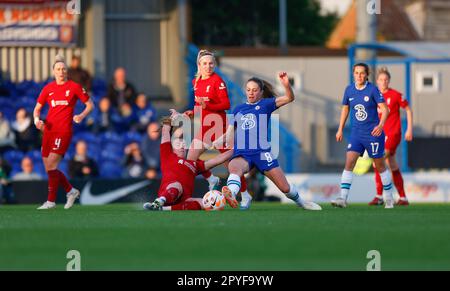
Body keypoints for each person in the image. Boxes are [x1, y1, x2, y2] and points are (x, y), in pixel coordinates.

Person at [221, 72, 321, 211]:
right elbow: (229, 132)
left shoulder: (266, 104)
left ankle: (301, 203)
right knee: (234, 168)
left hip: (262, 153)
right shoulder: (238, 109)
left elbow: (289, 98)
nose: (251, 93)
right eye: (248, 90)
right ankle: (230, 193)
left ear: (261, 92)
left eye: (255, 90)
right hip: (243, 152)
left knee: (285, 188)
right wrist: (220, 139)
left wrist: (286, 85)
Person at [185, 49, 249, 200]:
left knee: (232, 166)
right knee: (190, 159)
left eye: (211, 63)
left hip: (219, 127)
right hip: (205, 128)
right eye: (205, 63)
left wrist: (207, 106)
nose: (208, 66)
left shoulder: (217, 81)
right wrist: (192, 112)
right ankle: (210, 178)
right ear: (199, 65)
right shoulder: (196, 82)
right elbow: (198, 104)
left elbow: (226, 104)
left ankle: (245, 195)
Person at [33, 55, 94, 210]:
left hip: (63, 131)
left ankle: (51, 201)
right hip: (48, 131)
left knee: (52, 163)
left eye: (64, 69)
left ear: (67, 72)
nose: (61, 71)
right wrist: (36, 120)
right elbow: (37, 109)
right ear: (53, 71)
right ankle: (71, 191)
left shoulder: (74, 87)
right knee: (49, 168)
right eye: (58, 69)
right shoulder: (48, 88)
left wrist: (80, 115)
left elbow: (89, 104)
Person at [331, 63, 394, 209]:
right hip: (356, 134)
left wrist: (380, 126)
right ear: (353, 74)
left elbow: (385, 110)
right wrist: (340, 129)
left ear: (367, 75)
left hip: (373, 135)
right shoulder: (349, 90)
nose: (359, 76)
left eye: (362, 73)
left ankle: (389, 198)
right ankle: (343, 198)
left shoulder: (372, 89)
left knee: (380, 166)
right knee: (349, 162)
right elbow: (345, 109)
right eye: (356, 73)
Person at [143, 116, 233, 211]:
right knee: (177, 185)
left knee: (204, 203)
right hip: (170, 191)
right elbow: (165, 134)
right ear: (172, 148)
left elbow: (216, 160)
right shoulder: (167, 156)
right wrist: (168, 121)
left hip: (185, 199)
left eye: (183, 144)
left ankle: (163, 208)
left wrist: (235, 150)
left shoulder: (194, 164)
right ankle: (159, 201)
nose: (182, 146)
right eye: (178, 144)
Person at [368, 67, 413, 206]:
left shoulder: (396, 95)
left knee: (378, 160)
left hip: (393, 134)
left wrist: (409, 129)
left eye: (386, 79)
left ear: (389, 81)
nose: (383, 82)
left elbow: (408, 109)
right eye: (381, 79)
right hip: (380, 135)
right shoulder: (374, 96)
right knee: (392, 164)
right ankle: (403, 197)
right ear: (377, 81)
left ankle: (379, 196)